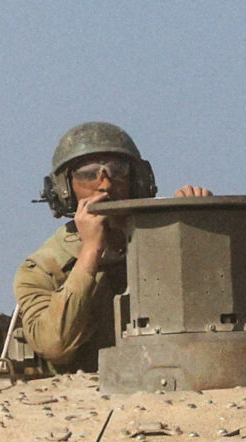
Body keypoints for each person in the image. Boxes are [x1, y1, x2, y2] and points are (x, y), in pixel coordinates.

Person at [14, 123, 211, 370]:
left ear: (136, 179)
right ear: (65, 188)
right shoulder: (41, 270)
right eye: (88, 173)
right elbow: (54, 346)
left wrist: (200, 234)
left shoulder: (165, 242)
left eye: (117, 170)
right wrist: (90, 252)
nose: (105, 185)